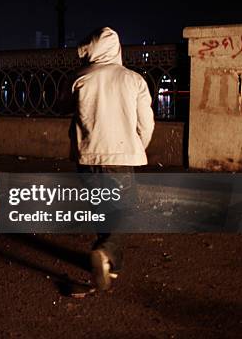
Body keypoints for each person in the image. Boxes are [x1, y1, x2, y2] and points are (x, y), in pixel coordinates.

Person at [70, 27, 155, 290]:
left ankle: (110, 264)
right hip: (121, 156)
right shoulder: (134, 80)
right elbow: (147, 123)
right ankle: (105, 253)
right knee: (123, 211)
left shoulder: (80, 79)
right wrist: (136, 147)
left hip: (88, 156)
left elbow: (67, 109)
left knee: (102, 210)